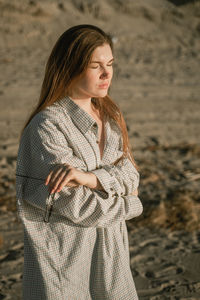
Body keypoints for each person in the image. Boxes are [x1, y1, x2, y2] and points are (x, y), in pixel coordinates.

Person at [16, 24, 143, 300]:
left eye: (110, 64)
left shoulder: (111, 114)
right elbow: (77, 204)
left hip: (113, 261)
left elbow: (132, 174)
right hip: (65, 265)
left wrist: (91, 179)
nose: (107, 74)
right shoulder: (46, 127)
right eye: (95, 65)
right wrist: (131, 203)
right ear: (69, 66)